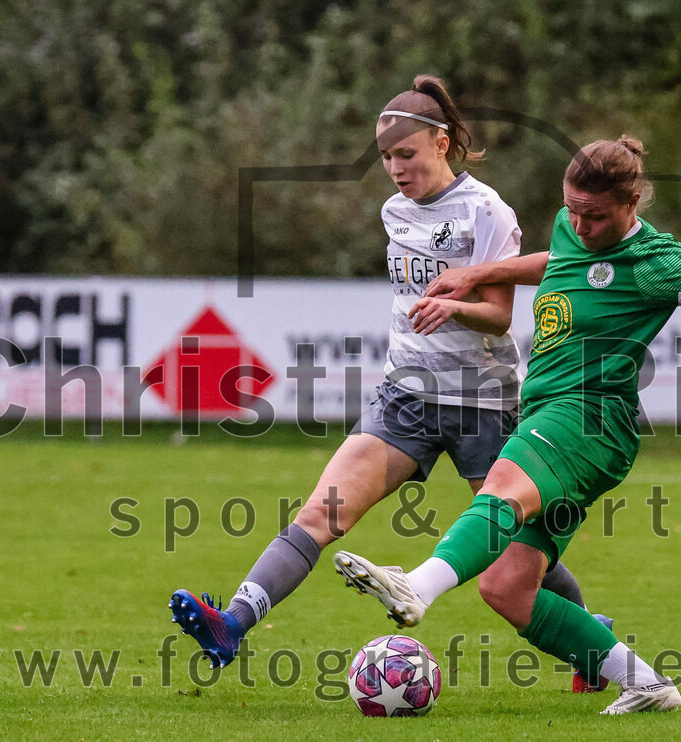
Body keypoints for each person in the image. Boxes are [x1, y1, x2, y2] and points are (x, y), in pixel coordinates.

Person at [334, 135, 681, 714]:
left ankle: (415, 587)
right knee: (507, 589)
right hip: (550, 412)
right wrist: (481, 273)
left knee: (500, 489)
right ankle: (647, 684)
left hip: (589, 419)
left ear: (632, 202)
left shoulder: (663, 264)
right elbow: (562, 259)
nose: (580, 223)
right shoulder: (573, 227)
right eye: (571, 209)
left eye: (595, 215)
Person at [167, 75, 599, 679]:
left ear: (441, 143)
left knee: (520, 550)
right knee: (321, 512)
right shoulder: (393, 211)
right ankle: (231, 623)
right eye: (386, 157)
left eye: (406, 154)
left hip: (483, 402)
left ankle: (591, 645)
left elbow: (500, 314)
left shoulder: (486, 211)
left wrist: (456, 303)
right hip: (406, 397)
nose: (395, 169)